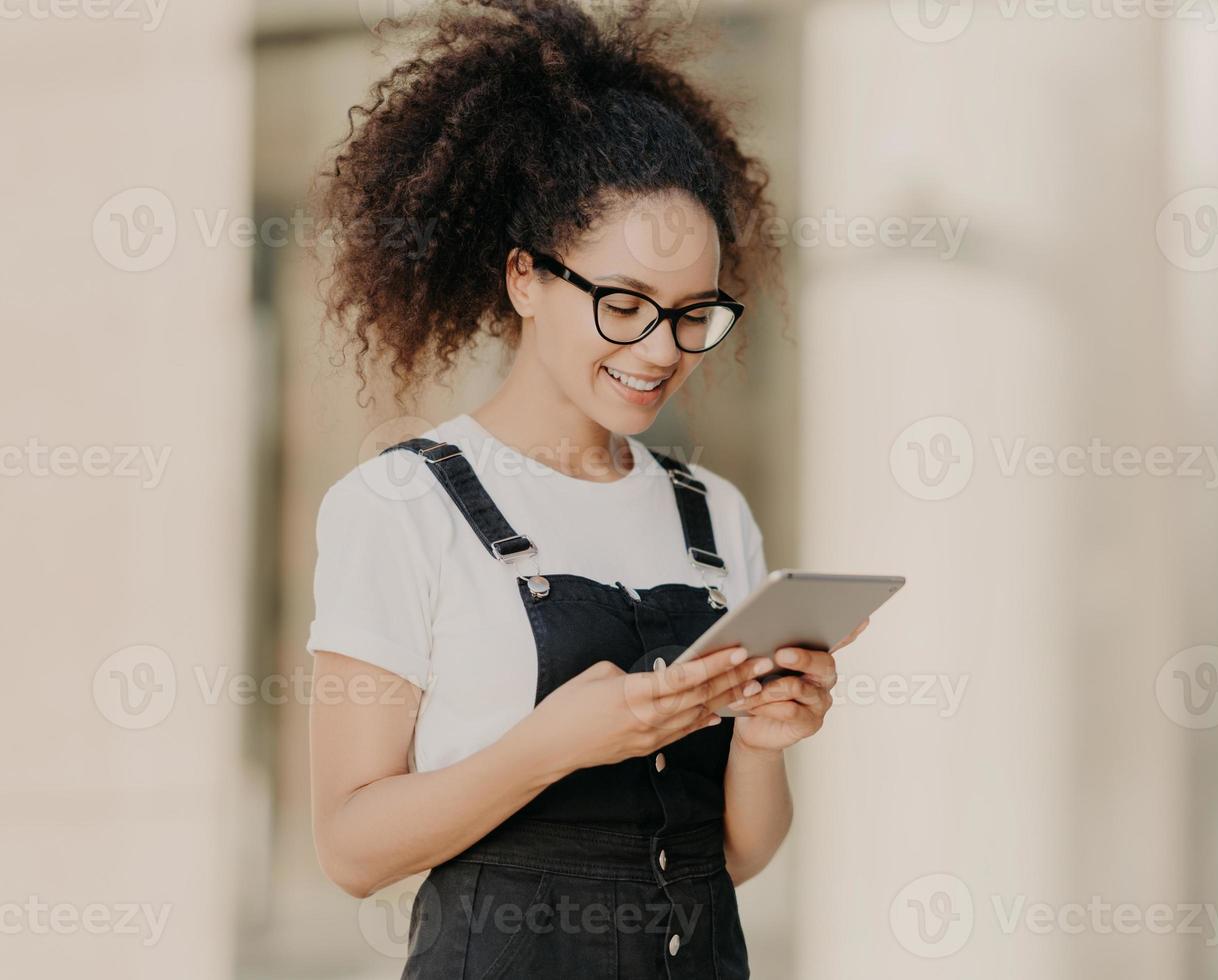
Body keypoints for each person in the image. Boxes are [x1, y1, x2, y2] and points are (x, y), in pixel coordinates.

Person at [303, 2, 867, 977]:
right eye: (624, 304)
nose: (661, 350)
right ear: (525, 276)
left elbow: (734, 853)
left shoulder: (713, 515)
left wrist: (765, 741)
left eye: (696, 314)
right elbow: (351, 848)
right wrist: (548, 745)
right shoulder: (398, 506)